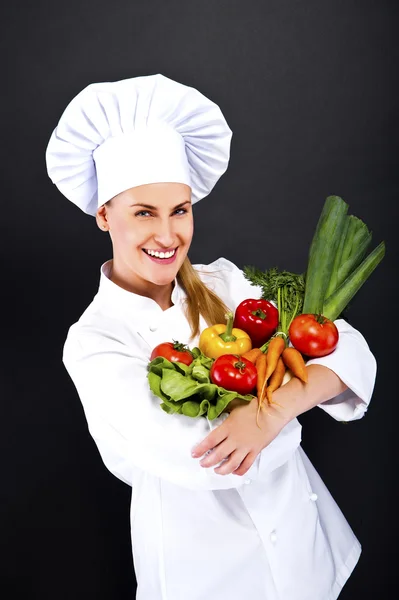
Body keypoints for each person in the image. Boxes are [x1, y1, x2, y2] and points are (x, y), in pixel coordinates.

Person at [45, 73, 376, 600]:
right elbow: (209, 458)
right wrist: (302, 394)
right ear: (104, 215)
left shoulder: (227, 284)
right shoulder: (93, 342)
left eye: (180, 210)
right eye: (143, 213)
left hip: (304, 548)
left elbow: (349, 346)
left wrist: (267, 413)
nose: (168, 235)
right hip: (205, 573)